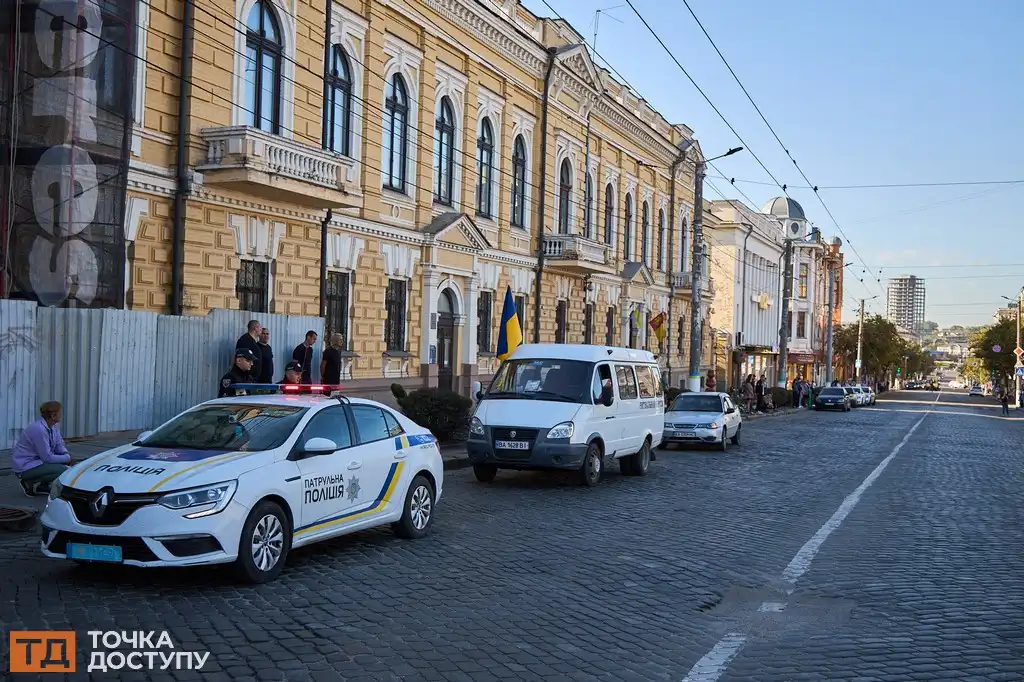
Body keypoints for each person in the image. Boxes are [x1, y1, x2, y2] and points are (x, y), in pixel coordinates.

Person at [12, 401, 73, 496]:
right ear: (53, 416)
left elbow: (59, 444)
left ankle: (41, 487)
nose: (61, 415)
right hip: (25, 466)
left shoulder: (54, 426)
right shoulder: (38, 429)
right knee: (64, 470)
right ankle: (28, 482)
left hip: (39, 462)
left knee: (69, 468)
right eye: (60, 413)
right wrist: (67, 459)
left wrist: (66, 454)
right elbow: (47, 457)